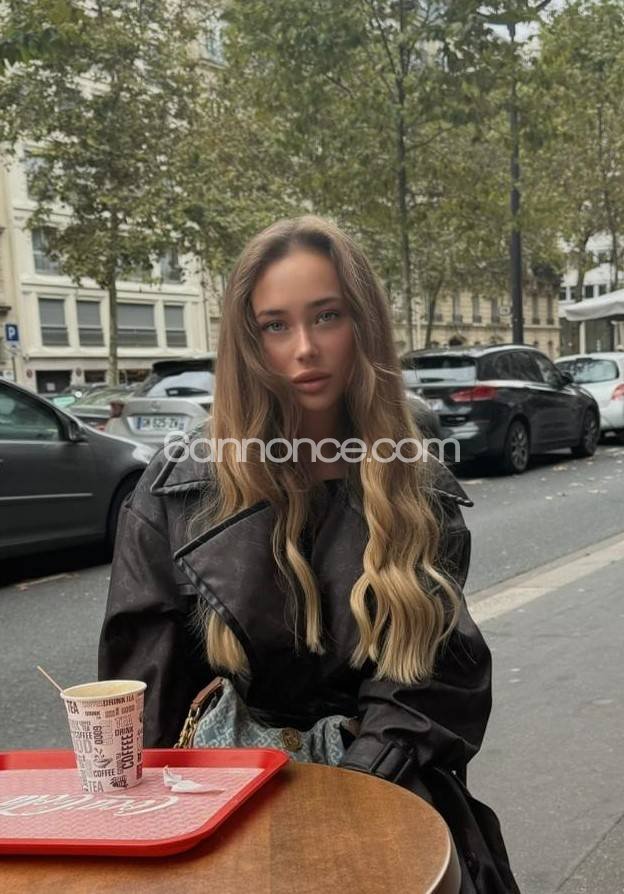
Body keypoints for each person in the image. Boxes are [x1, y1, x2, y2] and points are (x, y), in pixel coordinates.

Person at [99, 215, 520, 893]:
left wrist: (351, 786)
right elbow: (145, 696)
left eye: (327, 316)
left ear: (363, 325)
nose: (304, 349)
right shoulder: (177, 491)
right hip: (221, 810)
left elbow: (436, 682)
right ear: (248, 341)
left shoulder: (415, 487)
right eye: (275, 325)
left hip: (387, 793)